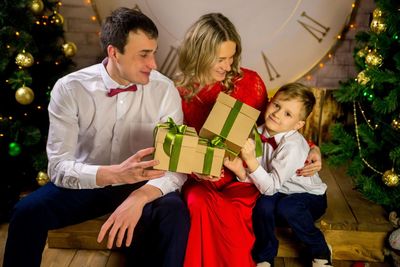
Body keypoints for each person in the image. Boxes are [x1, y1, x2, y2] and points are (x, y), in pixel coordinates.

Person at [3, 7, 189, 267]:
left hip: (139, 184)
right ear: (114, 52)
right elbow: (58, 168)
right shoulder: (69, 89)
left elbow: (177, 165)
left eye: (154, 53)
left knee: (174, 212)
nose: (153, 64)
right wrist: (113, 174)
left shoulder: (164, 90)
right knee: (26, 212)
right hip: (88, 181)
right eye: (143, 55)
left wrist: (139, 196)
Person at [175, 13, 322, 267]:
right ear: (199, 53)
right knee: (197, 203)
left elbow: (276, 125)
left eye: (232, 57)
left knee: (239, 212)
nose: (228, 65)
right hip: (201, 177)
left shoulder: (250, 82)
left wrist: (312, 147)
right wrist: (199, 170)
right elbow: (178, 146)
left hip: (244, 176)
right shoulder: (179, 91)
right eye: (220, 59)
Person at [224, 82, 332, 267]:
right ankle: (265, 256)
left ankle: (321, 250)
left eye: (287, 114)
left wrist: (250, 161)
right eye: (276, 105)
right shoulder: (257, 133)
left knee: (288, 207)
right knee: (262, 206)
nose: (277, 114)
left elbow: (269, 185)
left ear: (298, 125)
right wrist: (241, 171)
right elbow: (261, 181)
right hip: (277, 191)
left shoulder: (293, 146)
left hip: (309, 198)